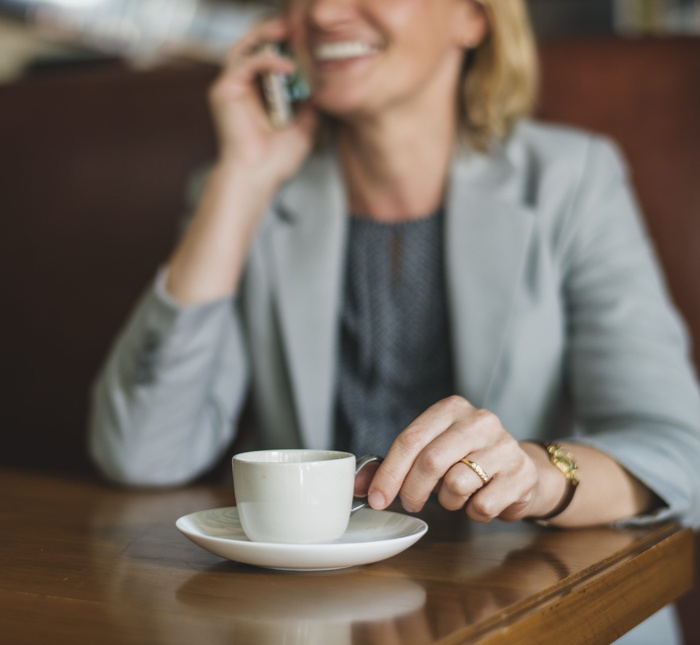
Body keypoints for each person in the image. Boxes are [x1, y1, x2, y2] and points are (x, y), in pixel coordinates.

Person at [90, 1, 699, 639]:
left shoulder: (573, 179)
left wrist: (537, 474)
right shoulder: (253, 193)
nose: (323, 13)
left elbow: (677, 453)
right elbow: (141, 452)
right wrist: (241, 177)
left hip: (532, 608)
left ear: (472, 18)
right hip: (320, 616)